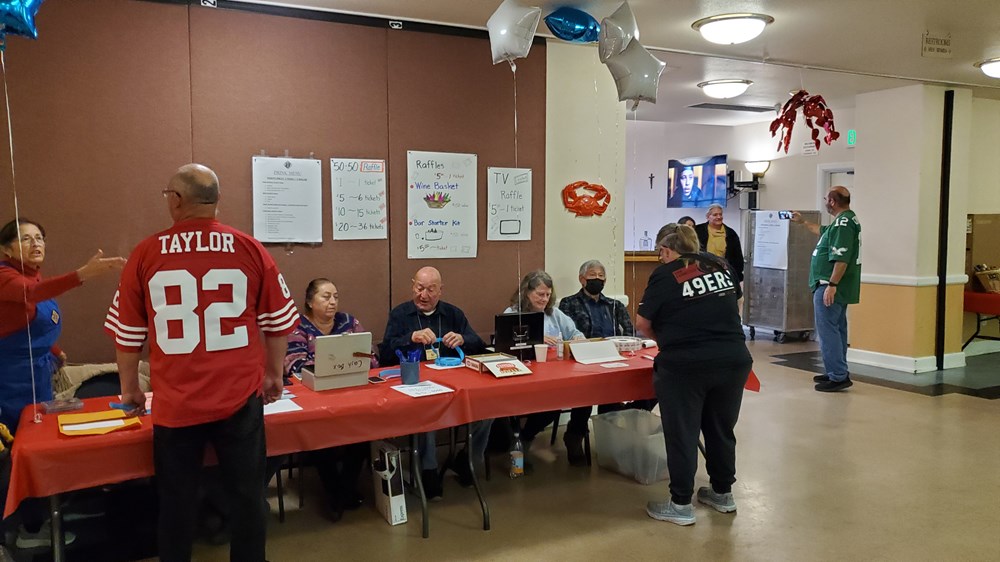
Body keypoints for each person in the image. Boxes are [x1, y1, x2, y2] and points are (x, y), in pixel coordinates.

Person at [107, 164, 298, 562]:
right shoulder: (250, 248)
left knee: (175, 503)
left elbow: (128, 334)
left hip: (175, 403)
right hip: (239, 397)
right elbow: (278, 322)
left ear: (177, 200)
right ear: (216, 201)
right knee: (247, 497)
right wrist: (273, 374)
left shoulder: (145, 253)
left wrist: (130, 388)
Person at [0, 218, 124, 550]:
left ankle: (39, 519)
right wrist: (82, 274)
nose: (36, 244)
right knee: (17, 455)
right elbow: (29, 296)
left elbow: (24, 323)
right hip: (10, 382)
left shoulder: (34, 276)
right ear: (6, 249)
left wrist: (54, 350)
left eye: (39, 237)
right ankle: (18, 532)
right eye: (26, 239)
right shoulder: (6, 277)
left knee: (39, 449)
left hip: (37, 377)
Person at [635, 223, 752, 526]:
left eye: (660, 252)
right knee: (720, 429)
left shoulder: (666, 273)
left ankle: (681, 503)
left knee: (683, 432)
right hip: (733, 358)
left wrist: (669, 340)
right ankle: (722, 493)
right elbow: (737, 304)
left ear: (666, 249)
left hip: (686, 364)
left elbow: (642, 324)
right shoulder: (720, 265)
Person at [379, 266, 485, 499]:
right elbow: (385, 354)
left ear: (440, 290)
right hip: (417, 384)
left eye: (430, 290)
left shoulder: (453, 314)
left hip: (454, 384)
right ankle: (429, 470)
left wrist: (462, 339)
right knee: (428, 408)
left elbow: (478, 344)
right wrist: (410, 338)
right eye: (419, 288)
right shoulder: (400, 314)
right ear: (412, 286)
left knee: (488, 408)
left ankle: (468, 459)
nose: (423, 295)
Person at [283, 278, 377, 521]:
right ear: (310, 301)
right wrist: (337, 363)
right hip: (314, 399)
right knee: (319, 434)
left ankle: (341, 492)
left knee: (363, 431)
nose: (333, 302)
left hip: (351, 396)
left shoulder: (349, 322)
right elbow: (294, 365)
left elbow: (370, 357)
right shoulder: (298, 326)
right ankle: (338, 492)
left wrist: (338, 364)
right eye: (326, 297)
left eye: (335, 296)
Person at [555, 260, 635, 465]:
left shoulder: (614, 305)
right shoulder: (569, 303)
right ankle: (575, 435)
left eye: (601, 276)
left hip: (612, 359)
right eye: (592, 275)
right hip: (582, 362)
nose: (597, 279)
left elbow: (629, 331)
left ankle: (609, 437)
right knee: (586, 394)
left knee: (617, 395)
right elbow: (566, 335)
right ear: (582, 279)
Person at [505, 271, 584, 464]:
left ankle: (573, 435)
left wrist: (576, 339)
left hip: (556, 375)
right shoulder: (512, 314)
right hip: (525, 376)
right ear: (527, 292)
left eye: (548, 295)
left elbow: (575, 333)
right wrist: (536, 339)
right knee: (550, 403)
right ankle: (524, 439)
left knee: (583, 395)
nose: (544, 299)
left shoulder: (554, 314)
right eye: (540, 294)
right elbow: (505, 345)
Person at [791, 186, 861, 392]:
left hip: (829, 286)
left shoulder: (842, 225)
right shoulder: (843, 222)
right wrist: (803, 221)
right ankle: (836, 370)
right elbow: (821, 231)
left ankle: (838, 376)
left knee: (828, 331)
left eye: (825, 199)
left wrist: (832, 285)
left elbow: (841, 258)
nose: (825, 202)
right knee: (837, 329)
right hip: (833, 286)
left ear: (832, 201)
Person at [694, 204, 745, 282]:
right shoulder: (698, 230)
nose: (719, 217)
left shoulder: (731, 233)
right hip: (702, 274)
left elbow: (738, 258)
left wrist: (737, 276)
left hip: (724, 274)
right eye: (715, 215)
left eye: (720, 214)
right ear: (708, 217)